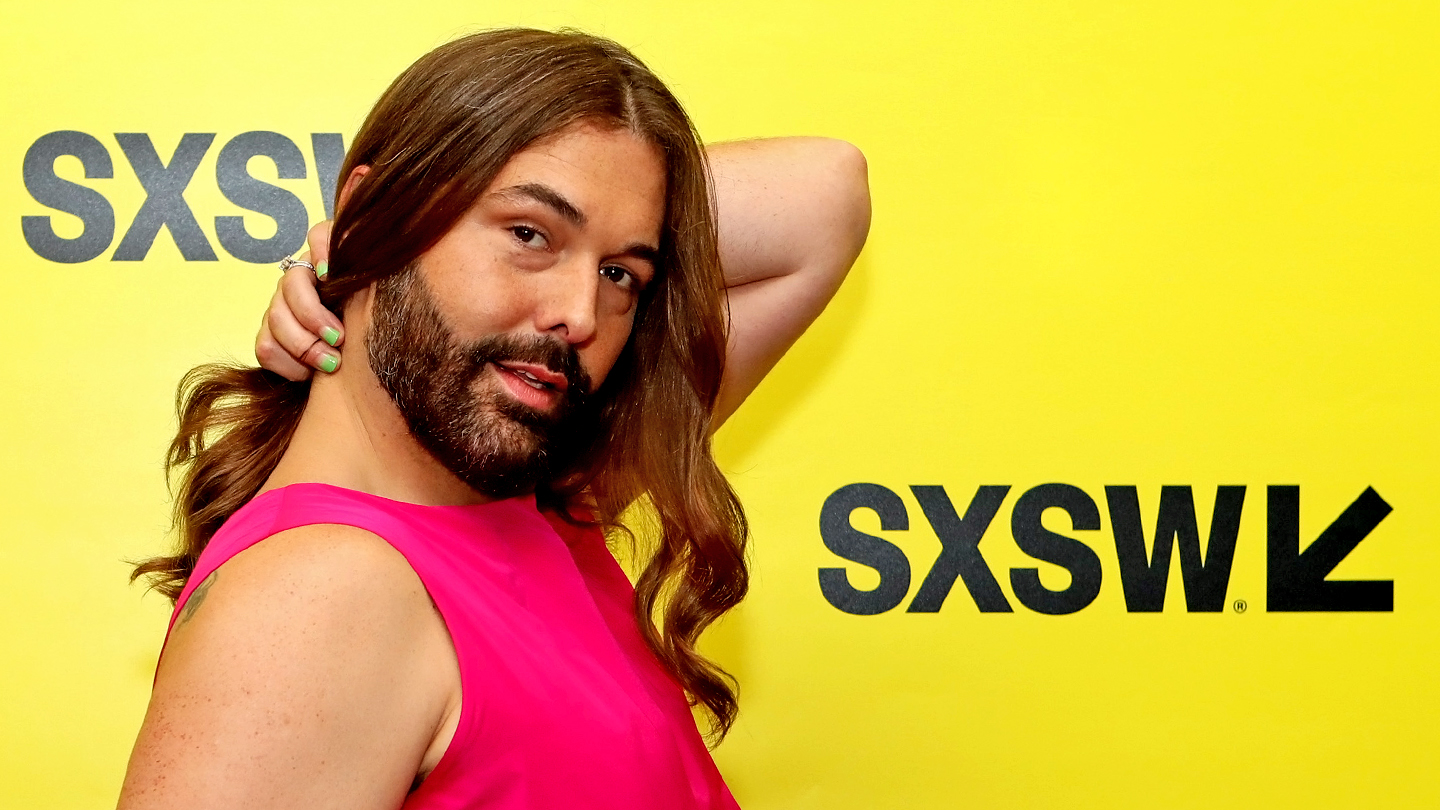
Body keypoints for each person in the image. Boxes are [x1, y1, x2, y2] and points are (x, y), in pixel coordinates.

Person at [119, 28, 868, 810]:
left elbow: (828, 194)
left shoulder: (546, 498)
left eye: (620, 272)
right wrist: (377, 233)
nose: (580, 314)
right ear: (372, 207)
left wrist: (363, 246)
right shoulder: (318, 596)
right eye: (528, 235)